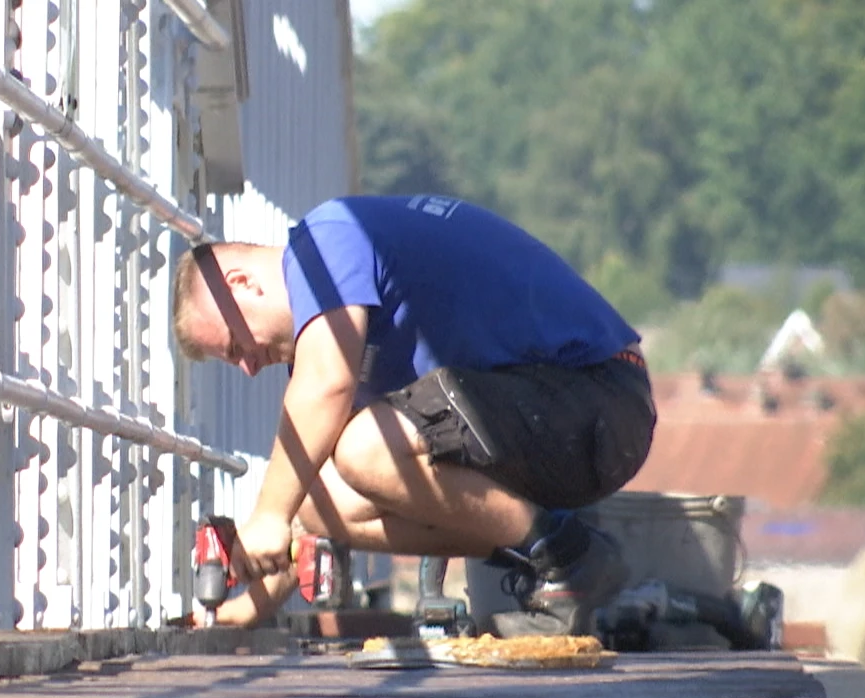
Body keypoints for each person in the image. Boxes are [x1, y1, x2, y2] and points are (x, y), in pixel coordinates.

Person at [172, 194, 656, 633]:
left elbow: (326, 384)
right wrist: (244, 609)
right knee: (320, 503)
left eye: (238, 347)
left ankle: (571, 560)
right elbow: (299, 509)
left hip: (599, 392)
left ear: (243, 284)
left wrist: (266, 516)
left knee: (366, 449)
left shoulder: (326, 240)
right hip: (552, 422)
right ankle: (552, 557)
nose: (250, 368)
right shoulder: (334, 331)